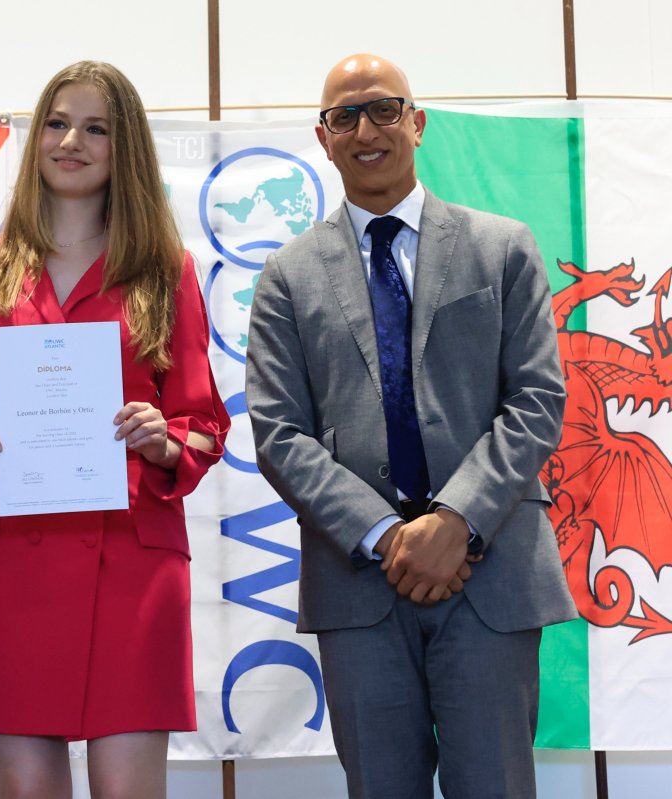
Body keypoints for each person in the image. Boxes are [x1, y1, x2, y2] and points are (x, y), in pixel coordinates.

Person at [245, 53, 576, 799]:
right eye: (344, 116)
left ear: (418, 123)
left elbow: (535, 400)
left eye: (384, 108)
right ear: (324, 139)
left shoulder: (503, 247)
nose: (367, 129)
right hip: (358, 583)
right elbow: (279, 434)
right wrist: (392, 537)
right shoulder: (288, 278)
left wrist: (455, 520)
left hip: (490, 575)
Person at [0, 61, 229, 798]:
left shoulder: (164, 269)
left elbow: (204, 422)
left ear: (127, 150)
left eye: (95, 128)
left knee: (127, 792)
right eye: (57, 123)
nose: (70, 141)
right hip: (16, 562)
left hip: (134, 560)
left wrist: (164, 436)